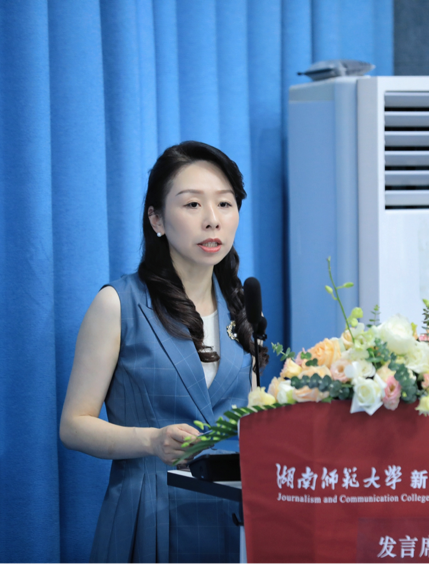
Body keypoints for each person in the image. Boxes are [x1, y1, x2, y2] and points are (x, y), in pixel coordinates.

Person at [59, 141, 267, 563]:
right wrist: (151, 440)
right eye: (192, 204)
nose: (212, 219)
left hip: (234, 519)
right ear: (156, 218)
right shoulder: (118, 304)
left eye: (225, 204)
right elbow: (73, 426)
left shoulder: (242, 305)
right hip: (150, 513)